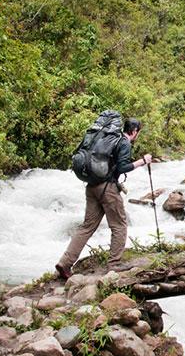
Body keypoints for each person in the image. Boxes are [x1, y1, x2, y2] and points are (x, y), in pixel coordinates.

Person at [55, 117, 152, 279]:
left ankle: (65, 263)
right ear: (134, 131)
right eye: (138, 132)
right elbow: (122, 168)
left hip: (91, 186)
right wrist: (142, 161)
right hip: (107, 189)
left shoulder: (107, 139)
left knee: (87, 226)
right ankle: (114, 264)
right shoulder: (124, 143)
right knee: (119, 225)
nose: (138, 135)